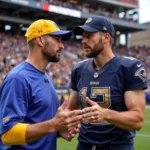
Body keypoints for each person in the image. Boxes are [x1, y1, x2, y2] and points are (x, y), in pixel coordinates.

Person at [0, 19, 83, 150]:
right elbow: (7, 134)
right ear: (40, 40)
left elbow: (40, 126)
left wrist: (59, 131)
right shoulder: (18, 78)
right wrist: (54, 125)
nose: (62, 45)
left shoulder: (47, 79)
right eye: (57, 39)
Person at [68, 16, 147, 150]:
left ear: (106, 37)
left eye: (89, 36)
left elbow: (138, 119)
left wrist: (106, 114)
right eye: (83, 37)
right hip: (84, 145)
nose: (83, 41)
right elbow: (71, 110)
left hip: (117, 146)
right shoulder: (79, 69)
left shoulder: (129, 67)